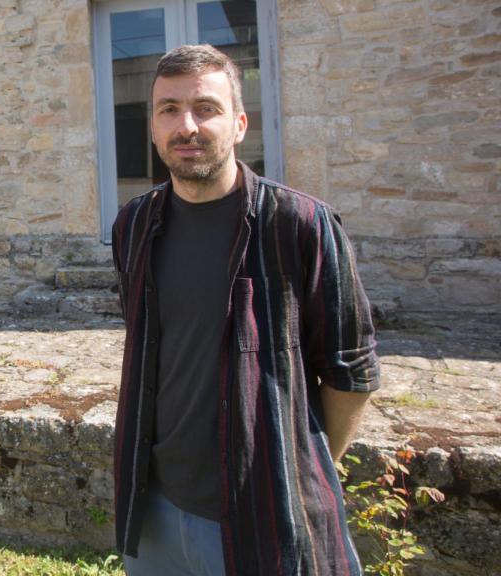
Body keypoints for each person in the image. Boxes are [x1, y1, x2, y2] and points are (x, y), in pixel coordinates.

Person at [110, 44, 379, 576]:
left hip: (261, 519)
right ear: (153, 126)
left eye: (205, 108)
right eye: (168, 109)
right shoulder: (134, 225)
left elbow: (351, 371)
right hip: (153, 513)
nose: (186, 125)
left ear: (238, 124)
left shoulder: (301, 226)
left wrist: (299, 474)